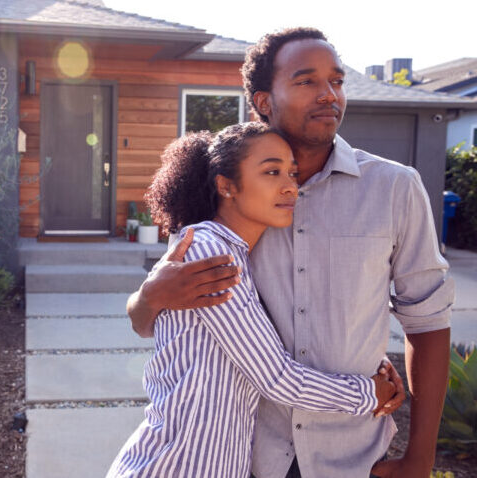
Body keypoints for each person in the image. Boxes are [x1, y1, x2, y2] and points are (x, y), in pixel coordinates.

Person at [126, 28, 453, 478]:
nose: (328, 95)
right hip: (249, 456)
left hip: (353, 456)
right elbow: (157, 321)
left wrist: (421, 458)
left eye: (336, 81)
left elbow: (429, 322)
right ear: (263, 100)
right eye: (306, 81)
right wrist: (146, 299)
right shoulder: (225, 196)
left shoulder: (395, 188)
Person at [107, 122, 400, 478]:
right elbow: (277, 378)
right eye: (272, 172)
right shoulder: (210, 253)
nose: (290, 185)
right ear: (226, 185)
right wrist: (369, 393)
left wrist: (368, 355)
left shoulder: (240, 254)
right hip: (173, 466)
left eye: (291, 173)